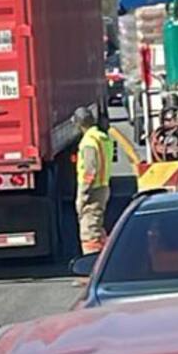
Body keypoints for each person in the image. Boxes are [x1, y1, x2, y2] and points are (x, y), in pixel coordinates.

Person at [74, 106, 114, 260]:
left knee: (89, 231)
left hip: (93, 190)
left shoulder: (88, 142)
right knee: (97, 228)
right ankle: (102, 262)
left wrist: (83, 194)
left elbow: (90, 170)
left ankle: (91, 267)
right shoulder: (101, 137)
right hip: (102, 185)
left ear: (79, 124)